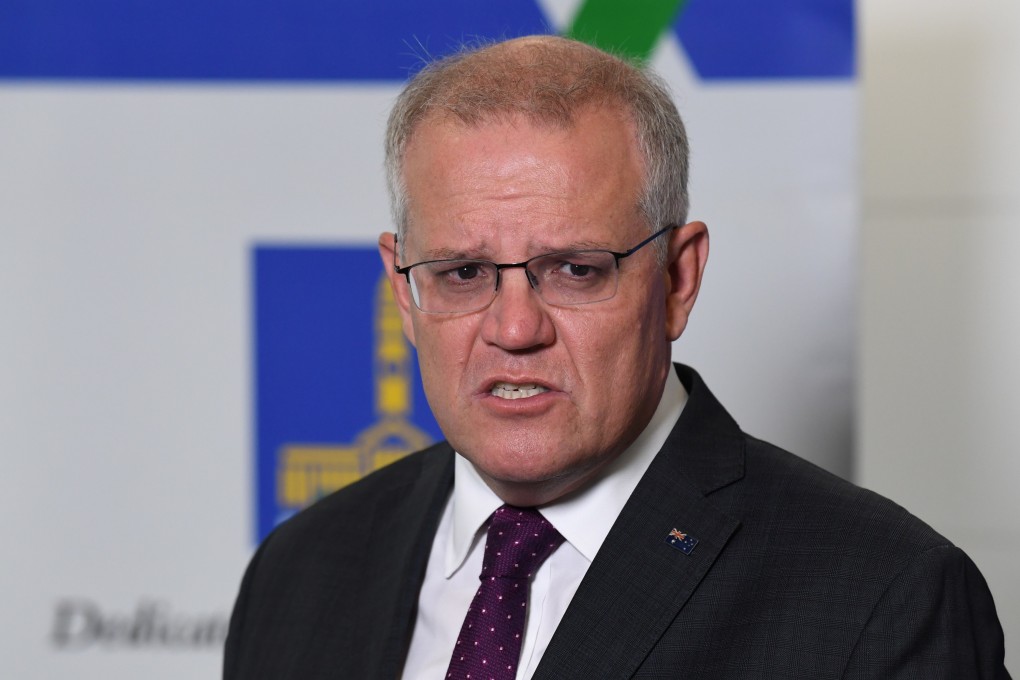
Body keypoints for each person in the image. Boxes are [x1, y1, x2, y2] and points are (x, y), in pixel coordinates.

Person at [224, 36, 1009, 679]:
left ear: (677, 277)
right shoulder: (300, 573)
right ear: (403, 290)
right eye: (463, 273)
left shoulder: (884, 599)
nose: (515, 327)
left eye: (574, 268)